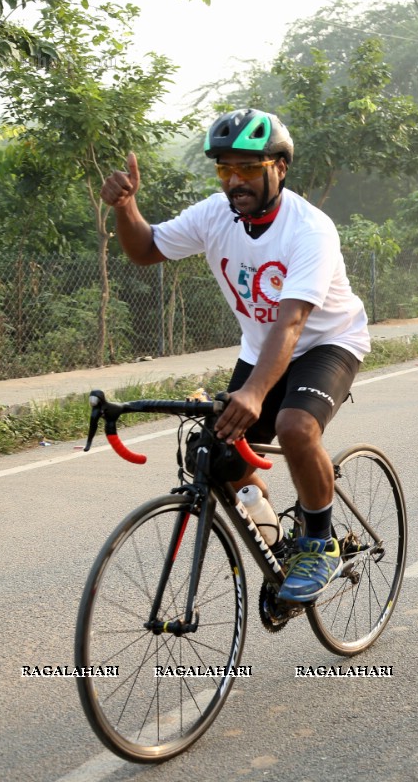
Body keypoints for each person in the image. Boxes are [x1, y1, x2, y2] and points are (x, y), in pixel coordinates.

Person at [99, 108, 371, 603]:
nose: (235, 181)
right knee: (215, 454)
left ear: (279, 168)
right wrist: (125, 206)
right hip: (261, 348)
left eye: (248, 168)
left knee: (293, 427)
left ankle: (318, 542)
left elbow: (292, 321)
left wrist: (253, 391)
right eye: (225, 169)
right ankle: (277, 549)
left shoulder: (310, 229)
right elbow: (145, 249)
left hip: (327, 341)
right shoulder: (214, 215)